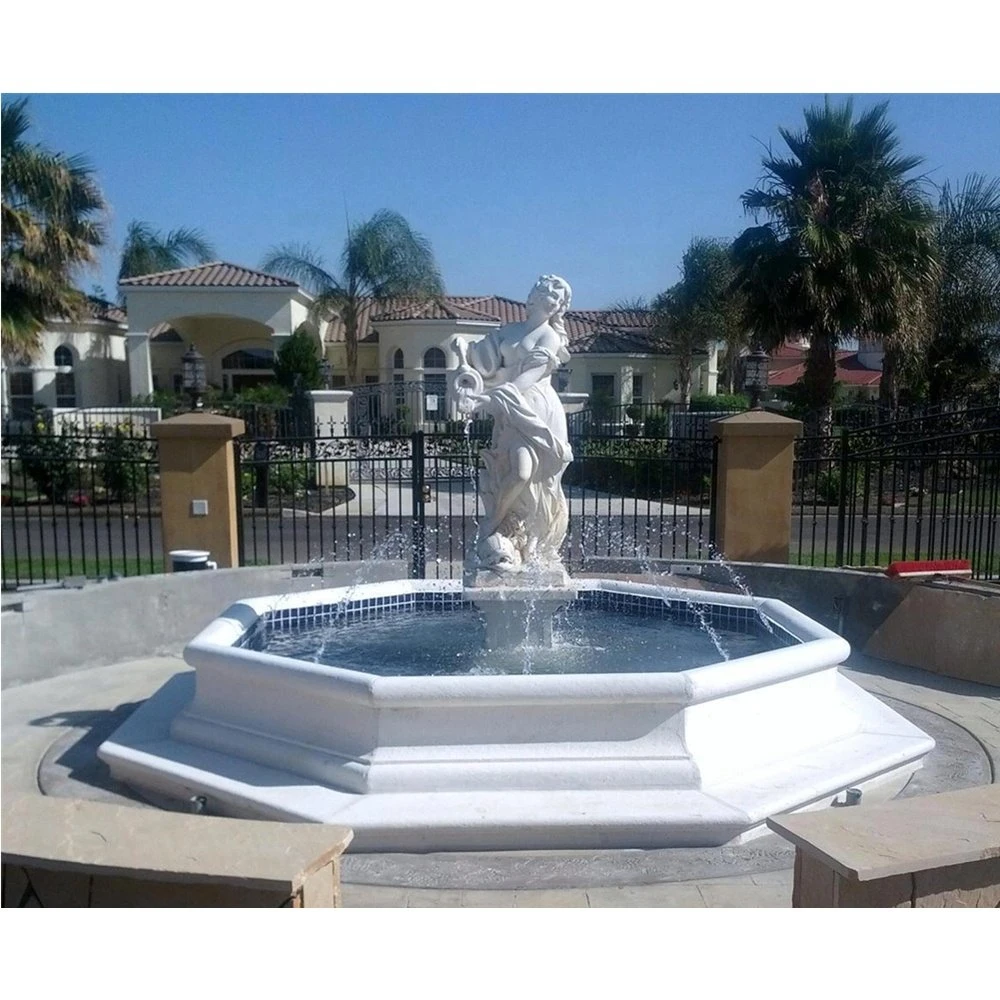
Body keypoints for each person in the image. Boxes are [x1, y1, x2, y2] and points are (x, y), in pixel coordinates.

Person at [452, 274, 574, 574]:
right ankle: (507, 538)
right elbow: (484, 366)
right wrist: (464, 352)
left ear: (559, 308)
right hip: (507, 413)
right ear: (533, 295)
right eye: (546, 291)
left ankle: (495, 527)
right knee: (510, 473)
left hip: (535, 412)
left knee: (526, 474)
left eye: (557, 298)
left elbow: (523, 382)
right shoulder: (507, 331)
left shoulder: (550, 337)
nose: (550, 298)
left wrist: (485, 401)